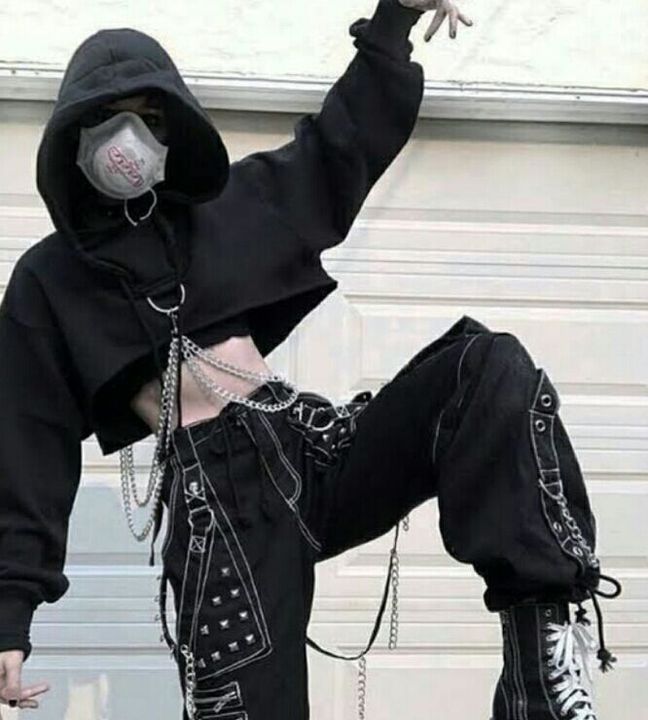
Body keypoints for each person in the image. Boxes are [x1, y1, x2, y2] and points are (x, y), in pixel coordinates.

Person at [0, 1, 622, 718]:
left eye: (149, 115)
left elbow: (338, 148)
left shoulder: (228, 211)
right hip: (221, 509)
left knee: (486, 368)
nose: (128, 139)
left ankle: (542, 682)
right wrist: (10, 619)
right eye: (111, 117)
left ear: (174, 126)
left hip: (311, 446)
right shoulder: (50, 281)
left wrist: (393, 20)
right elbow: (27, 450)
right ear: (74, 133)